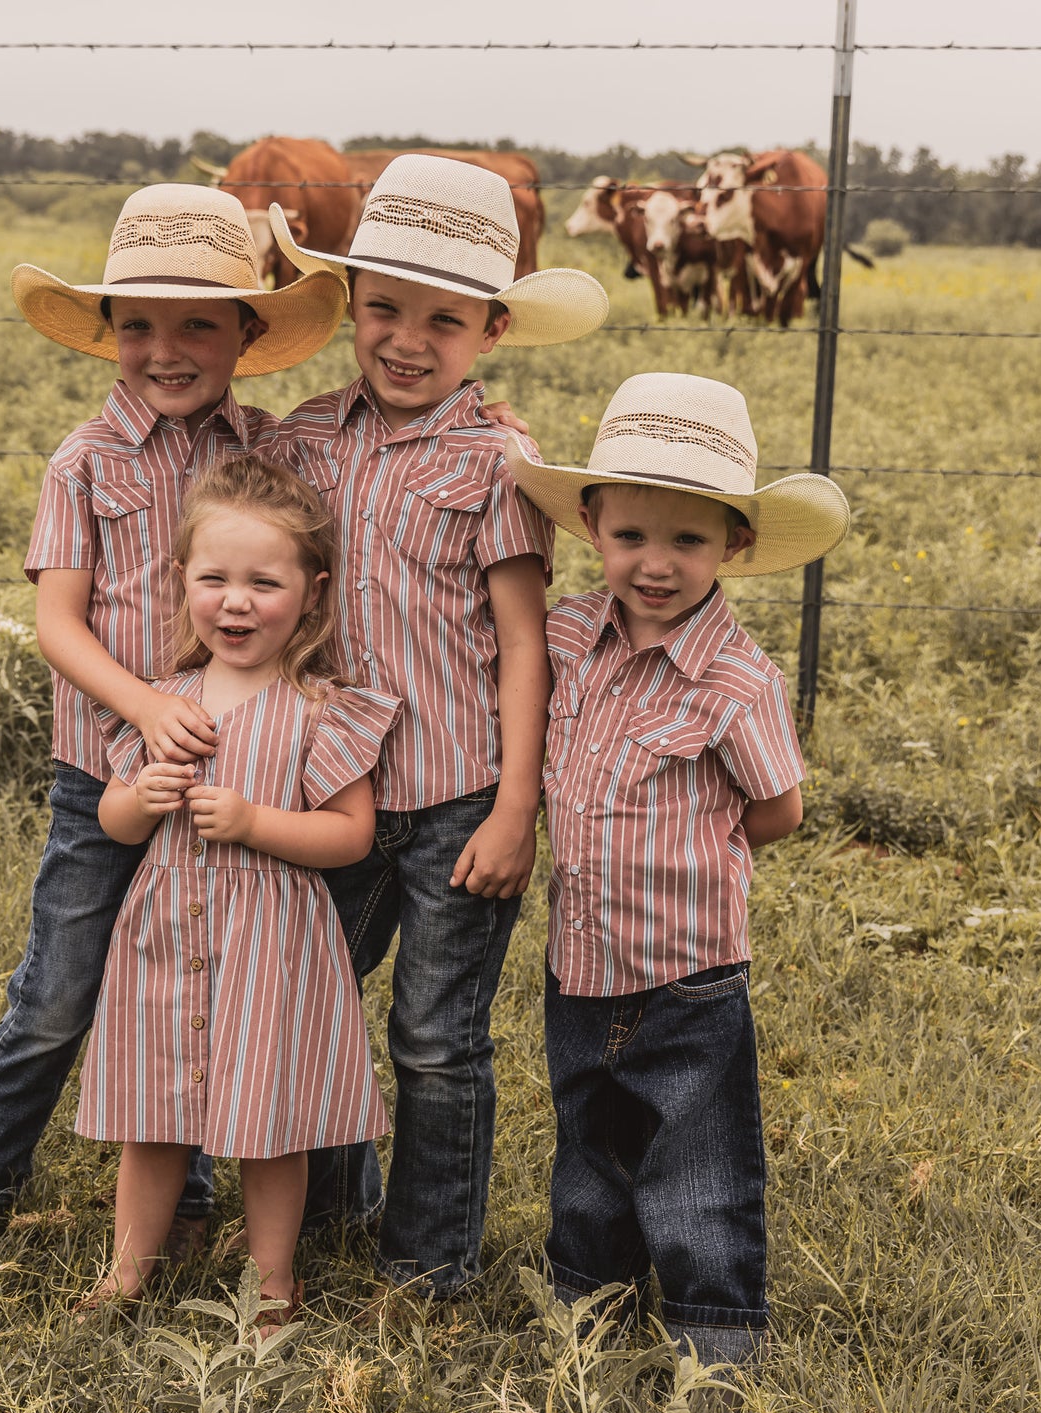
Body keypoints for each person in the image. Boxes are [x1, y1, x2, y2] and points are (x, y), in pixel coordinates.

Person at [0, 186, 347, 1263]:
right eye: (138, 322)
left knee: (203, 975)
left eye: (199, 321)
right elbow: (57, 621)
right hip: (101, 772)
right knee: (60, 990)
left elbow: (369, 456)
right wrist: (147, 703)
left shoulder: (267, 450)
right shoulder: (85, 461)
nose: (166, 347)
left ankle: (194, 1195)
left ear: (249, 334)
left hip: (235, 767)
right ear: (107, 330)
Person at [266, 154, 610, 1298]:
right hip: (333, 788)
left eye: (442, 320)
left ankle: (428, 1262)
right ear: (348, 308)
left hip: (460, 788)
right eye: (382, 308)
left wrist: (517, 805)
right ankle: (328, 1200)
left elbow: (520, 639)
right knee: (306, 995)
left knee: (433, 1036)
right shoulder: (303, 438)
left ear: (492, 330)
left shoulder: (497, 465)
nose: (405, 339)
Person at [503, 372, 851, 1365]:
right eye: (630, 537)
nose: (654, 563)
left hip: (690, 966)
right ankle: (589, 1306)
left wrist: (688, 851)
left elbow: (775, 809)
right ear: (589, 524)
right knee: (588, 1143)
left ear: (732, 543)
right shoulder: (569, 634)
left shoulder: (737, 681)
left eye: (687, 540)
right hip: (581, 957)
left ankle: (713, 1330)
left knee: (695, 1152)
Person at [74, 457, 401, 1325]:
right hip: (164, 932)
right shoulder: (163, 702)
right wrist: (136, 799)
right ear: (182, 583)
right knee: (152, 1110)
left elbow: (348, 834)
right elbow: (113, 820)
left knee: (268, 1118)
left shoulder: (320, 708)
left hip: (272, 938)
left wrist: (256, 821)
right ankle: (126, 1272)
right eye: (214, 579)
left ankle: (272, 1281)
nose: (236, 601)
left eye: (264, 581)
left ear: (312, 590)